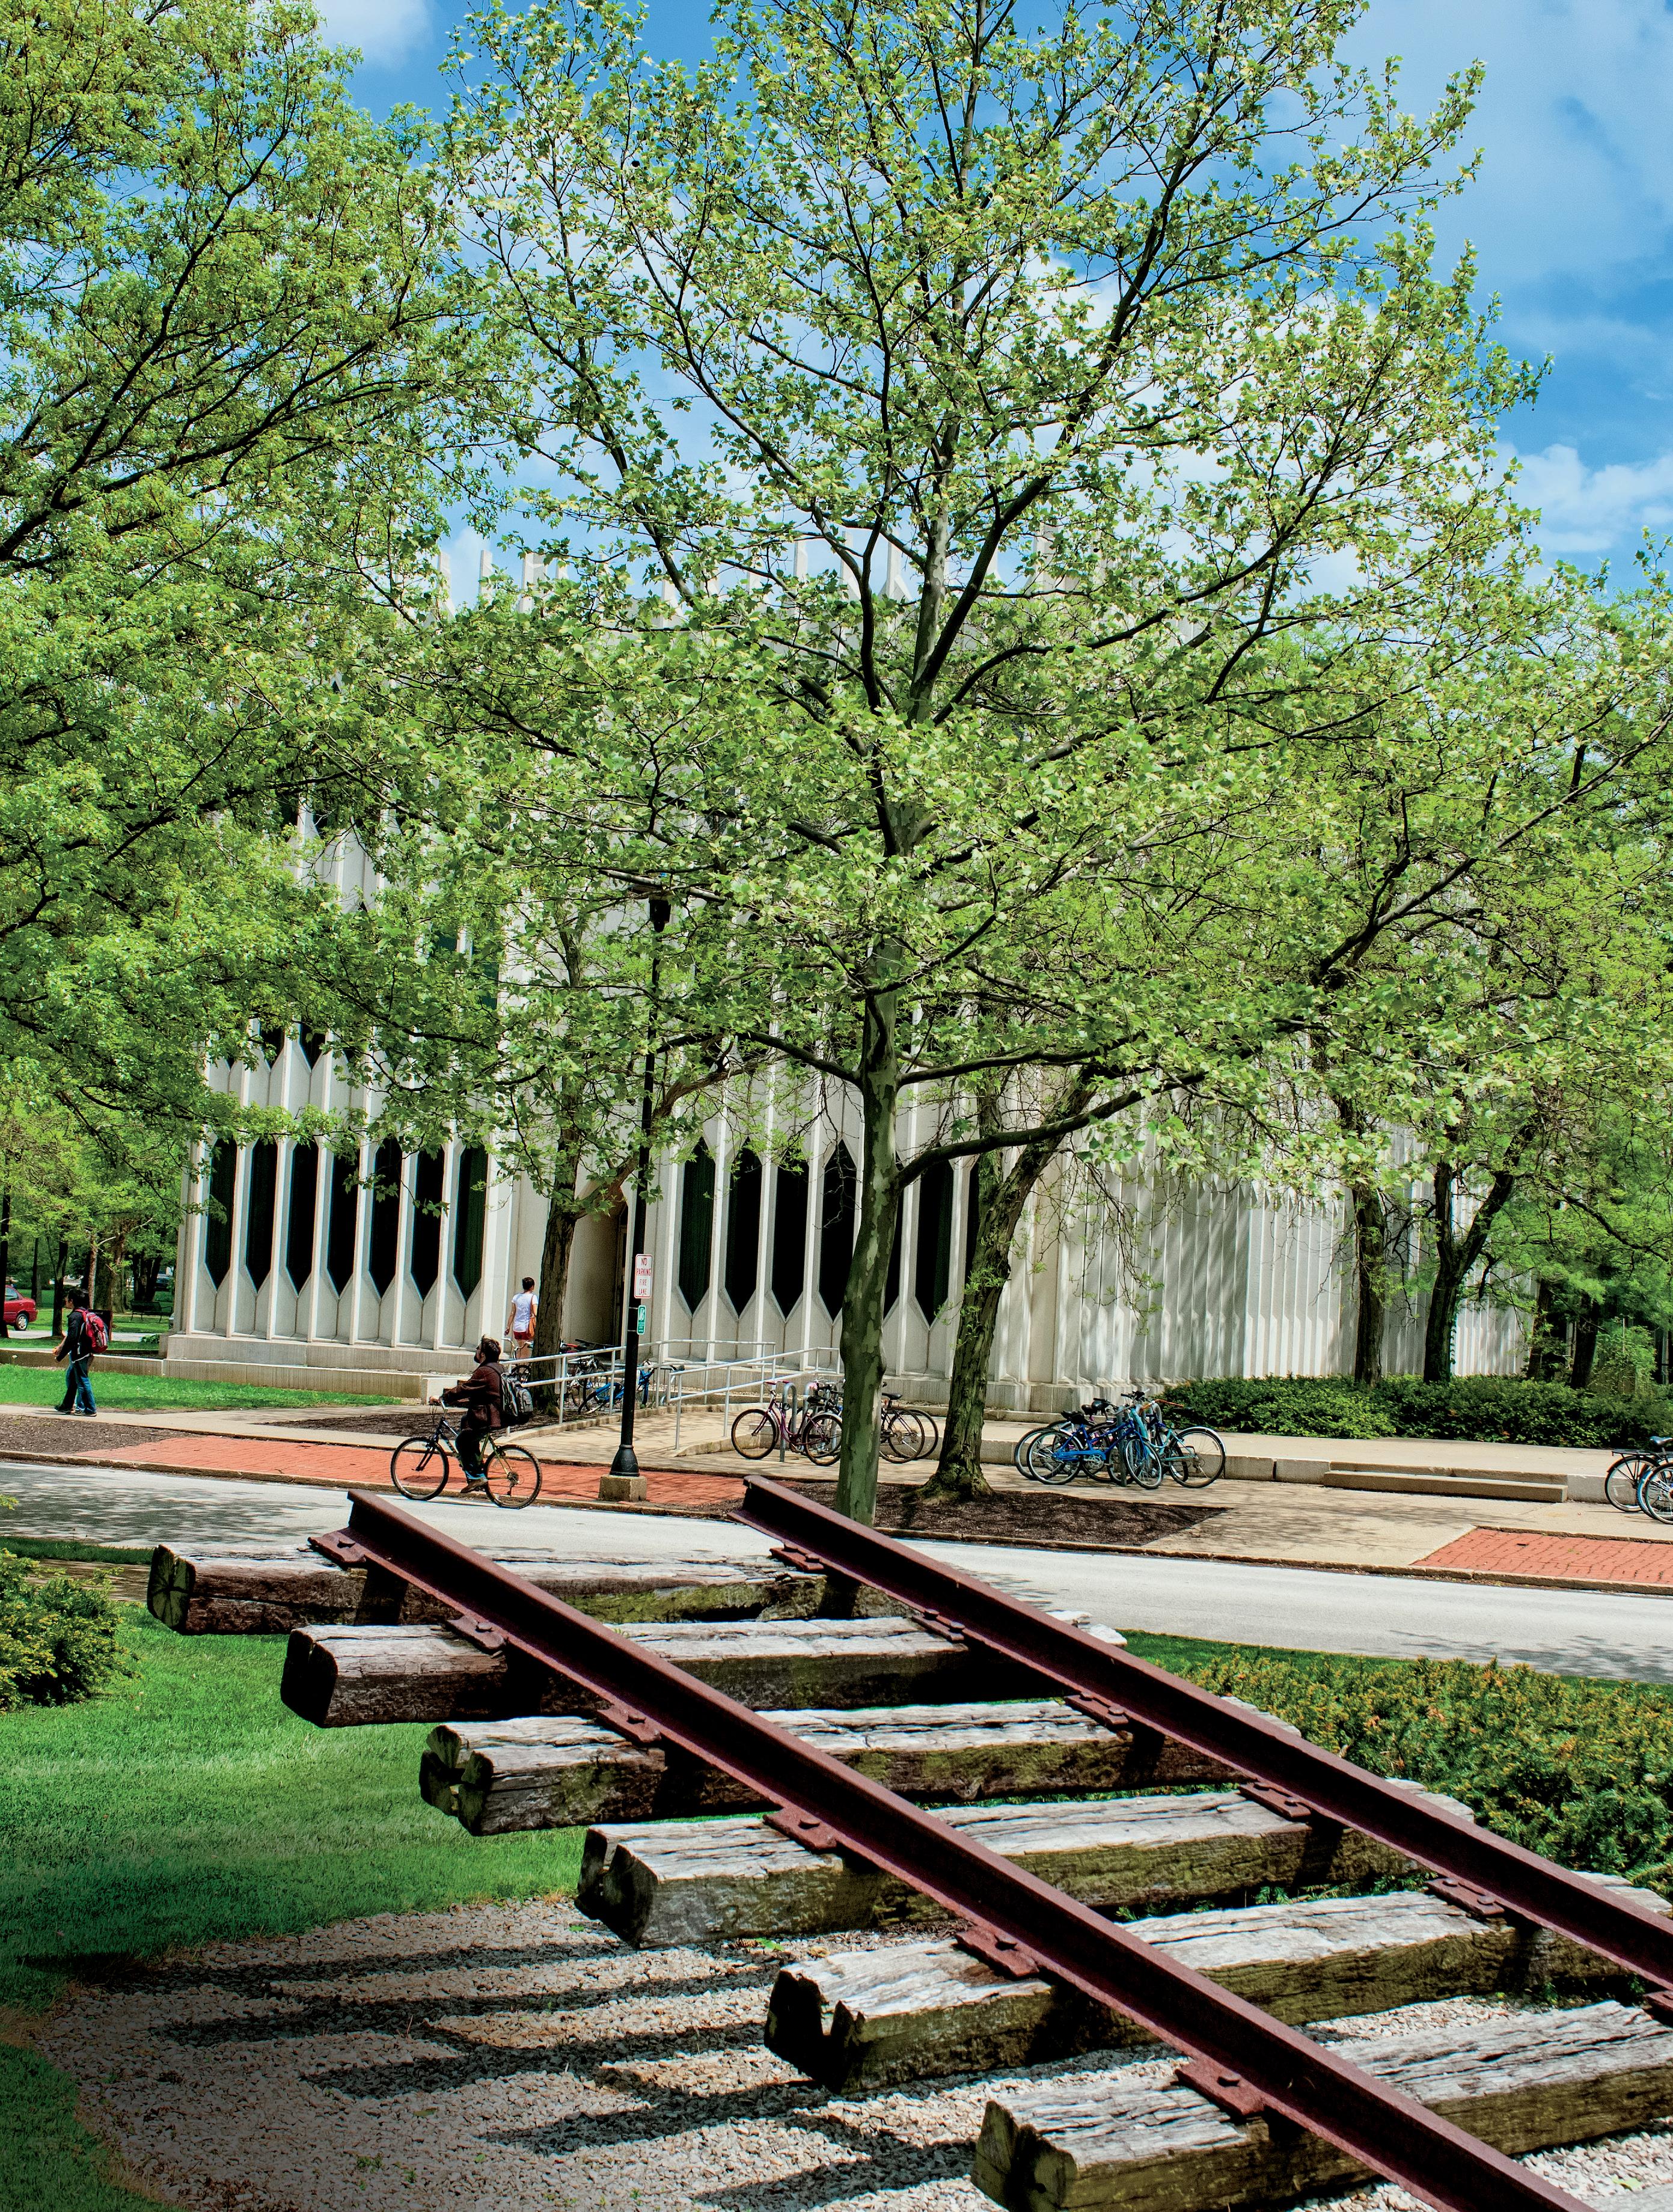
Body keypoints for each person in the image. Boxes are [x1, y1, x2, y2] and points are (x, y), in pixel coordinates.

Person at [441, 1336, 505, 1491]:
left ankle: (477, 1477)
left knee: (461, 1441)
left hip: (487, 1417)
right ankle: (477, 1468)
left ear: (482, 1354)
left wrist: (444, 1397)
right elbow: (479, 1390)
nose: (476, 1351)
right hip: (496, 1415)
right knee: (466, 1424)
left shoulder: (484, 1371)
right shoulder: (498, 1368)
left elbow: (466, 1388)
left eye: (478, 1349)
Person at [54, 1292, 100, 1416]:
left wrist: (60, 1356)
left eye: (67, 1298)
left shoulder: (75, 1316)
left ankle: (90, 1409)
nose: (65, 1299)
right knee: (72, 1378)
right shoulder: (86, 1313)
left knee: (83, 1380)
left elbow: (72, 1338)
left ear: (72, 1301)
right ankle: (67, 1406)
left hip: (79, 1353)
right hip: (86, 1351)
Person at [504, 1277, 537, 1363]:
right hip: (527, 1328)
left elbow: (512, 1313)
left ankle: (518, 1367)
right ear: (532, 1287)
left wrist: (508, 1327)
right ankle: (521, 1369)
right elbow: (536, 1312)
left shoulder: (516, 1297)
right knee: (525, 1353)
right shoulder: (533, 1297)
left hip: (517, 1328)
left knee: (520, 1349)